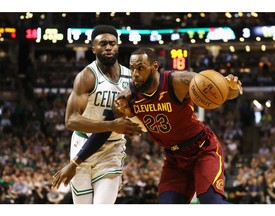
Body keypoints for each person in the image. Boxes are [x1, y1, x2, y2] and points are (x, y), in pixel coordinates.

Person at [114, 47, 243, 204]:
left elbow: (225, 91)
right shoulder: (130, 95)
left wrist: (231, 86)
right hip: (174, 158)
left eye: (140, 68)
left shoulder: (177, 81)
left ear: (154, 67)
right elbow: (119, 111)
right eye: (132, 68)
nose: (135, 73)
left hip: (202, 149)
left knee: (211, 201)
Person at [52, 25, 142, 204]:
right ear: (93, 48)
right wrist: (111, 125)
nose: (108, 47)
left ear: (118, 46)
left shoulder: (130, 78)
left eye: (112, 43)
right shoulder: (86, 77)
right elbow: (71, 121)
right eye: (102, 44)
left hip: (112, 149)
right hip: (82, 143)